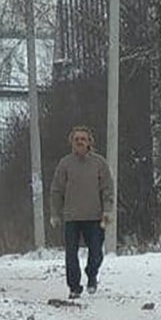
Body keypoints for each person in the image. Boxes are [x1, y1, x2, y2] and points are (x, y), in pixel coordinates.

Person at [50, 125, 114, 299]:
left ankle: (91, 274)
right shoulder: (65, 164)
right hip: (71, 217)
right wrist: (55, 212)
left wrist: (107, 210)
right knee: (71, 254)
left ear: (89, 142)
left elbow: (107, 189)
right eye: (76, 139)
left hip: (94, 216)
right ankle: (74, 286)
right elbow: (57, 190)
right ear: (72, 142)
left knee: (96, 253)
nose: (79, 142)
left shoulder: (99, 163)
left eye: (83, 139)